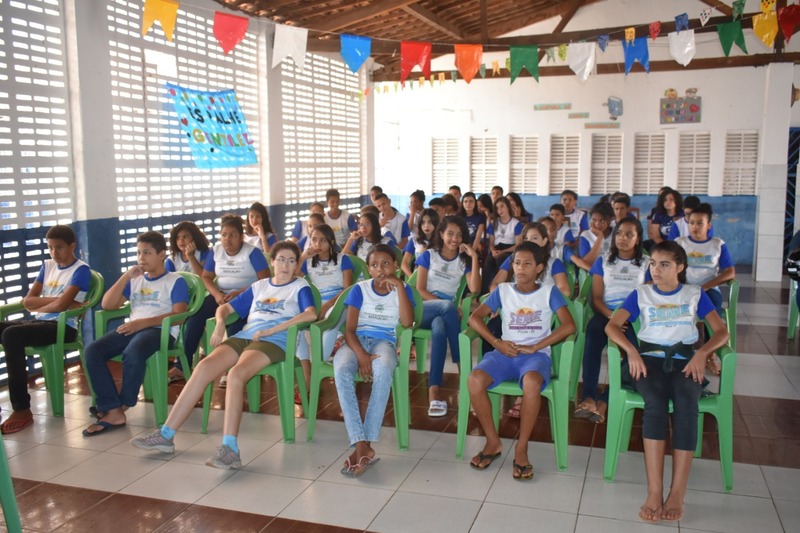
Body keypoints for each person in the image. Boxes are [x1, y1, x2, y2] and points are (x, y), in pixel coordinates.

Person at [131, 241, 318, 468]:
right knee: (203, 367)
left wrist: (272, 330)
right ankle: (166, 435)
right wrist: (220, 324)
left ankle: (230, 449)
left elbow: (310, 315)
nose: (286, 265)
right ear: (272, 262)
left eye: (291, 260)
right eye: (281, 259)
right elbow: (225, 308)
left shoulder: (300, 287)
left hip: (274, 341)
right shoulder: (259, 286)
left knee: (236, 374)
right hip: (245, 336)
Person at [605, 240, 729, 523]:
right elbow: (611, 325)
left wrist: (703, 354)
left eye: (664, 264)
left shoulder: (695, 294)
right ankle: (654, 491)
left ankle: (677, 493)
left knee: (687, 403)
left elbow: (722, 332)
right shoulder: (642, 293)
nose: (656, 270)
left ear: (680, 267)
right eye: (653, 264)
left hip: (686, 361)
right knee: (655, 403)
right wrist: (632, 352)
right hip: (648, 360)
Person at [467, 242, 576, 479]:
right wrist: (497, 343)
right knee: (474, 380)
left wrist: (537, 345)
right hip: (504, 352)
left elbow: (569, 325)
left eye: (527, 264)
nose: (520, 268)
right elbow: (475, 318)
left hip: (535, 356)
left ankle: (522, 447)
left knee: (531, 383)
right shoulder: (503, 290)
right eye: (517, 263)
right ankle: (493, 441)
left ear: (539, 268)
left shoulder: (549, 291)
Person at [83, 231, 189, 436]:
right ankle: (112, 407)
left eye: (147, 253)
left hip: (160, 330)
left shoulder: (175, 281)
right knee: (93, 351)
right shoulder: (135, 280)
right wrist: (125, 277)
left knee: (133, 351)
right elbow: (108, 304)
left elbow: (180, 315)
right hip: (133, 327)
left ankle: (123, 405)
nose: (141, 258)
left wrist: (143, 323)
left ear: (161, 254)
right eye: (139, 253)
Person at [0, 225, 91, 434]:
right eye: (50, 248)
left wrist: (49, 304)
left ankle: (22, 409)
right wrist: (57, 301)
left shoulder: (81, 270)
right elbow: (27, 302)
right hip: (39, 323)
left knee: (11, 334)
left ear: (72, 246)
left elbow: (58, 307)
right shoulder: (47, 266)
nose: (54, 252)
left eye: (59, 247)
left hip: (61, 326)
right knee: (5, 330)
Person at [334, 244, 414, 477]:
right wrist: (361, 354)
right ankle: (361, 444)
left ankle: (364, 442)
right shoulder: (359, 290)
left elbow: (407, 323)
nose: (380, 269)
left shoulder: (404, 289)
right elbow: (349, 330)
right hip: (356, 341)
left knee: (384, 368)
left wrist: (399, 287)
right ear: (368, 269)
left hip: (383, 342)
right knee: (341, 371)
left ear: (396, 267)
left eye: (386, 264)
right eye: (375, 265)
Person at [176, 215, 269, 383]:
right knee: (195, 317)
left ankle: (233, 368)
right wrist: (217, 295)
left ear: (241, 237)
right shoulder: (216, 251)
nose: (227, 239)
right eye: (224, 234)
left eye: (232, 235)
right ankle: (182, 366)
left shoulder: (253, 253)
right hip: (221, 295)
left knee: (236, 324)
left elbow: (265, 281)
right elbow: (206, 277)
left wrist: (240, 293)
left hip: (248, 296)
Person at [574, 218, 649, 424]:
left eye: (629, 234)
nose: (622, 238)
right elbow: (596, 298)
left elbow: (650, 295)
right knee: (592, 335)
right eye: (619, 233)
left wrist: (625, 316)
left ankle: (604, 401)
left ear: (638, 238)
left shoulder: (647, 263)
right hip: (607, 314)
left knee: (636, 356)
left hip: (634, 318)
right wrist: (611, 315)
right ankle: (588, 396)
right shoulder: (603, 261)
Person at [415, 216, 481, 417]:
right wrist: (447, 305)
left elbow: (475, 289)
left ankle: (433, 390)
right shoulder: (429, 255)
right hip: (424, 308)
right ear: (441, 234)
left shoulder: (463, 261)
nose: (455, 238)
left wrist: (475, 257)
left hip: (447, 314)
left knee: (439, 328)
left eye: (459, 234)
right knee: (445, 310)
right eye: (450, 233)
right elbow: (419, 289)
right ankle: (464, 371)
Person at [674, 203, 735, 375]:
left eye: (700, 223)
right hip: (683, 289)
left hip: (708, 291)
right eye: (691, 223)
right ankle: (679, 353)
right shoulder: (680, 243)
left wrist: (707, 286)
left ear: (709, 225)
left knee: (711, 315)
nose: (695, 227)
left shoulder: (717, 244)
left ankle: (710, 356)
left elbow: (730, 271)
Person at [295, 224, 354, 392]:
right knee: (296, 327)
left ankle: (316, 371)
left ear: (331, 241)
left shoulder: (343, 259)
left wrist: (328, 304)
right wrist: (303, 256)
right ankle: (308, 374)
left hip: (338, 302)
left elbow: (347, 289)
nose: (318, 244)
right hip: (314, 303)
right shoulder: (307, 263)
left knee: (330, 318)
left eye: (322, 240)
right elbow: (292, 276)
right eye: (314, 240)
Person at [481, 196, 522, 295]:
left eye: (502, 206)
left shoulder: (516, 224)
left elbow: (518, 245)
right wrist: (493, 250)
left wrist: (503, 252)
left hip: (510, 250)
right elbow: (491, 243)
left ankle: (501, 291)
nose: (500, 210)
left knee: (501, 259)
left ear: (508, 207)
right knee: (489, 261)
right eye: (497, 208)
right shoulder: (493, 223)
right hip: (497, 249)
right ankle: (484, 293)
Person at [571, 202, 614, 272]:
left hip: (612, 272)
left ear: (610, 220)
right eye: (594, 220)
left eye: (602, 221)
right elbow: (587, 262)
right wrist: (600, 238)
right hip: (594, 273)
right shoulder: (586, 235)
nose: (597, 224)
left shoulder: (616, 233)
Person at [401, 208, 439, 279]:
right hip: (418, 277)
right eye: (423, 222)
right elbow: (404, 264)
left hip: (436, 278)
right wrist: (412, 278)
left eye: (430, 222)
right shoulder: (414, 240)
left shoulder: (442, 241)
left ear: (436, 223)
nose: (426, 226)